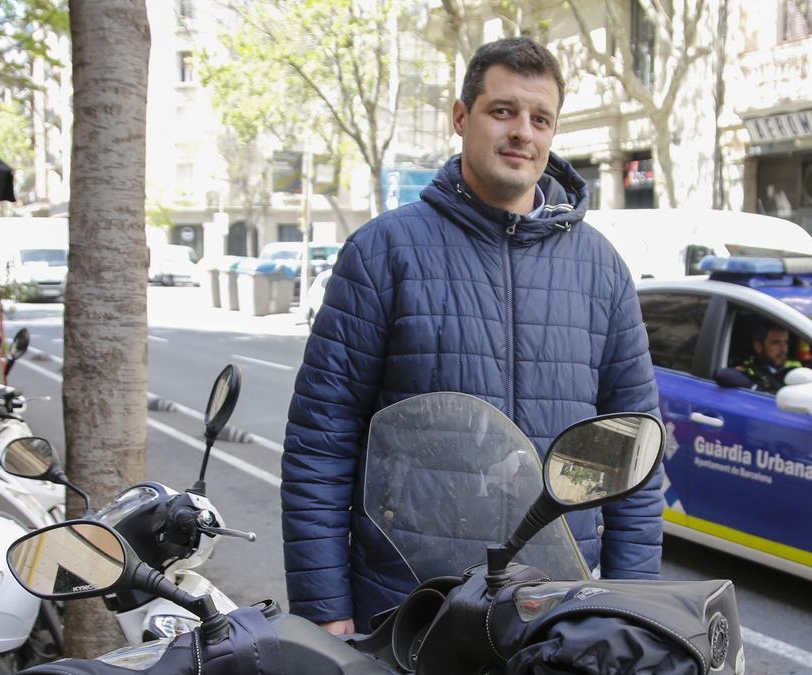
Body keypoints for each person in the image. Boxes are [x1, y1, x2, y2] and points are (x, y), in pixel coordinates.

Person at [281, 37, 663, 636]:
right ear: (461, 119)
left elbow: (636, 457)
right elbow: (319, 447)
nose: (523, 133)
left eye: (541, 119)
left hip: (554, 610)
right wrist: (324, 612)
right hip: (406, 607)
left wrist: (633, 607)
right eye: (503, 111)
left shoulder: (601, 268)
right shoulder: (382, 252)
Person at [716, 322, 801, 393]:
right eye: (776, 343)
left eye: (786, 342)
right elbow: (724, 374)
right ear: (759, 347)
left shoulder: (797, 365)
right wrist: (757, 390)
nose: (783, 349)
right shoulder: (750, 367)